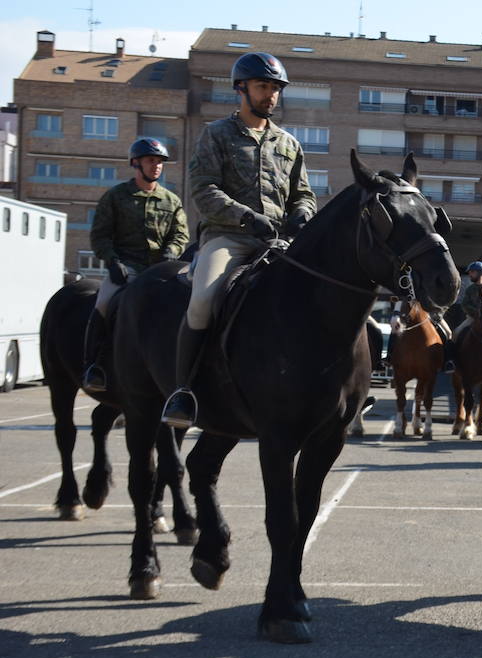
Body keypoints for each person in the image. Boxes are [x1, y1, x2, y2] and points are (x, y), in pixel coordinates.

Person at [161, 52, 315, 428]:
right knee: (201, 302)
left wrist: (302, 214)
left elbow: (304, 195)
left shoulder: (289, 144)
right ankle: (183, 392)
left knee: (322, 295)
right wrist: (246, 216)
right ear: (241, 88)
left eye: (276, 89)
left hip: (278, 243)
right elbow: (204, 191)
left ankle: (328, 388)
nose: (271, 96)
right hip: (228, 239)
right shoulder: (216, 134)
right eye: (264, 87)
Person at [81, 138, 189, 391]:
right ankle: (93, 365)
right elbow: (100, 235)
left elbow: (180, 234)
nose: (156, 166)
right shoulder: (116, 197)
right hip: (126, 268)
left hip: (159, 271)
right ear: (135, 163)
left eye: (160, 162)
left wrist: (171, 253)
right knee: (104, 303)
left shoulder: (171, 200)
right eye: (151, 161)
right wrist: (112, 262)